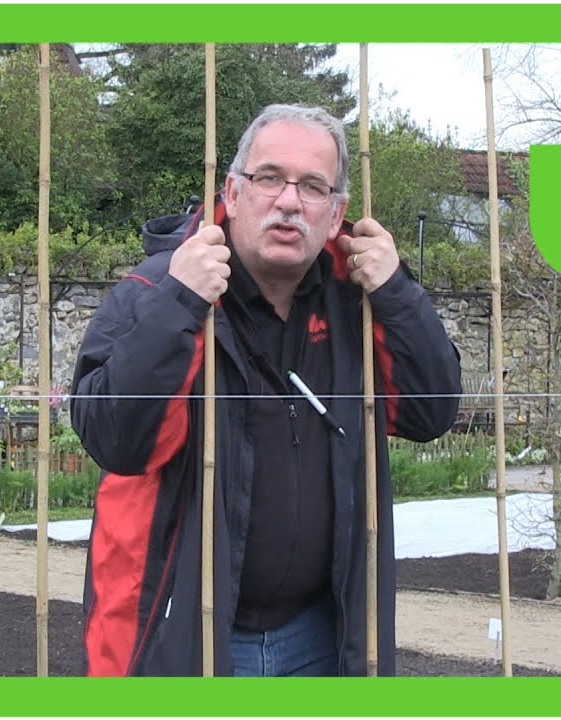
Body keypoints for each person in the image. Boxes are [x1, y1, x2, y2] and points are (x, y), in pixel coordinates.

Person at [70, 104, 462, 677]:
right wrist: (180, 302)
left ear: (335, 215)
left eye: (312, 186)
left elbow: (432, 411)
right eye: (270, 177)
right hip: (187, 628)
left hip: (321, 633)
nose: (288, 201)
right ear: (232, 190)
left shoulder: (357, 299)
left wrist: (397, 292)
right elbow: (115, 439)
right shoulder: (157, 288)